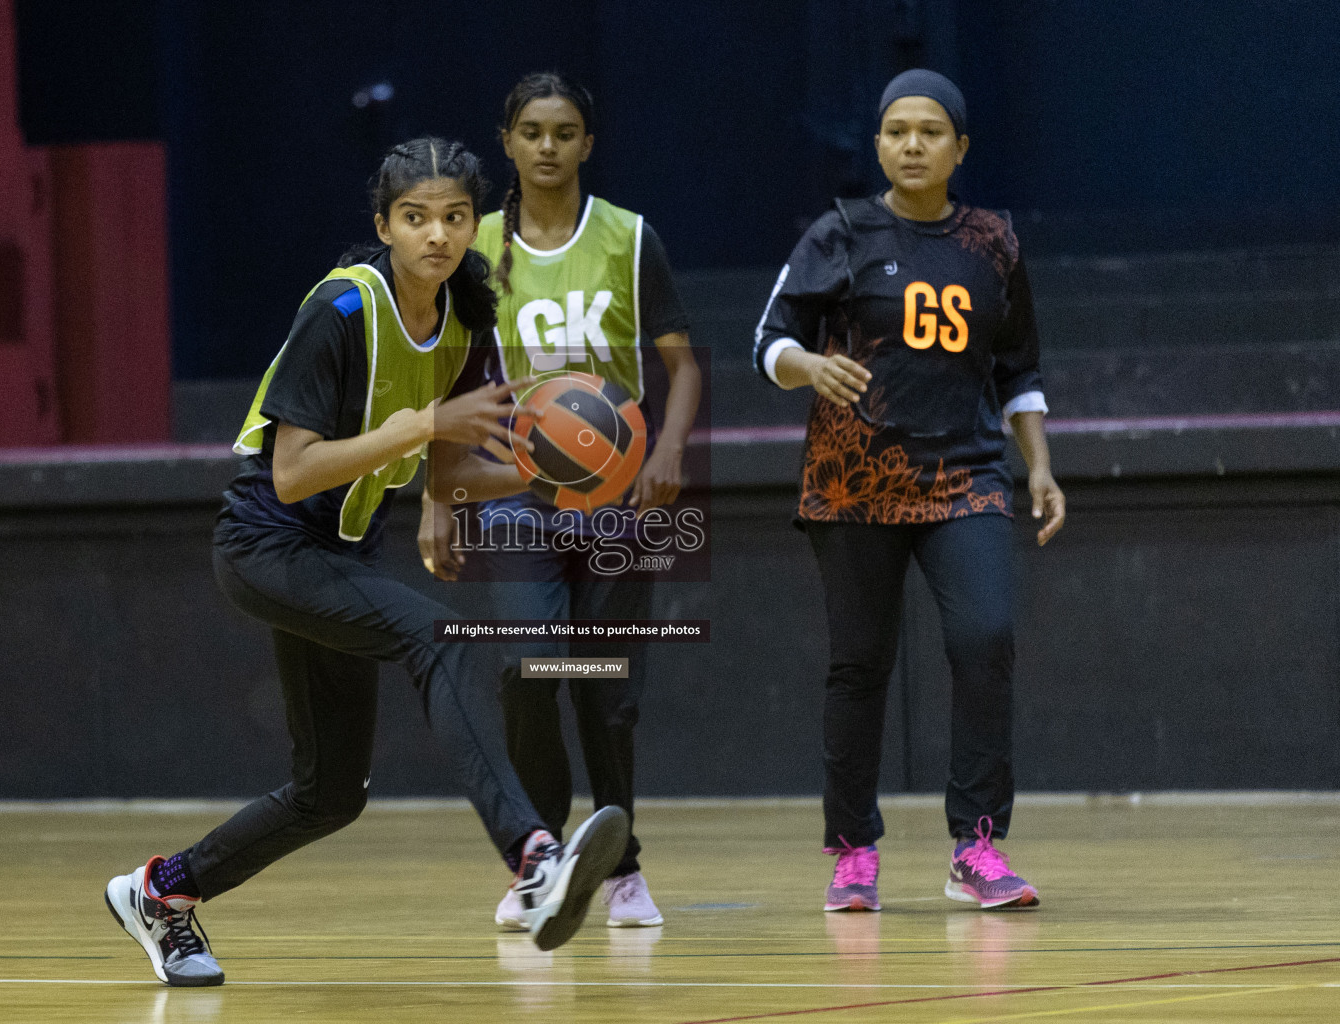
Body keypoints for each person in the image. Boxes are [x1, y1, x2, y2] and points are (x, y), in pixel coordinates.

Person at [104, 137, 629, 987]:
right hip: (265, 543)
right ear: (385, 224)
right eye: (416, 218)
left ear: (475, 227)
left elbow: (451, 468)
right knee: (439, 635)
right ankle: (535, 860)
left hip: (341, 549)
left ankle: (162, 892)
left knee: (330, 795)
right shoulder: (343, 310)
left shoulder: (466, 319)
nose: (437, 235)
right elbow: (293, 468)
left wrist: (559, 475)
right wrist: (424, 428)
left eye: (456, 217)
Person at [753, 70, 1065, 912]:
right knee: (860, 665)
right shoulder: (841, 232)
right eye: (897, 130)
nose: (913, 144)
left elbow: (1018, 366)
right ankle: (854, 851)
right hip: (854, 484)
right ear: (880, 144)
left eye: (931, 131)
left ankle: (978, 846)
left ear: (961, 146)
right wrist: (810, 365)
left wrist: (1037, 463)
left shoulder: (993, 242)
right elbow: (768, 339)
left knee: (985, 639)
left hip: (964, 473)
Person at [417, 73, 699, 931]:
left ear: (587, 143)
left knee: (607, 692)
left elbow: (679, 365)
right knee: (525, 670)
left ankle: (622, 870)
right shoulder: (477, 252)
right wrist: (436, 494)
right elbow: (450, 379)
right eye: (532, 131)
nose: (548, 145)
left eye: (565, 131)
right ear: (507, 141)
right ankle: (537, 857)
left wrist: (671, 450)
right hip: (515, 495)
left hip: (616, 498)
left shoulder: (630, 238)